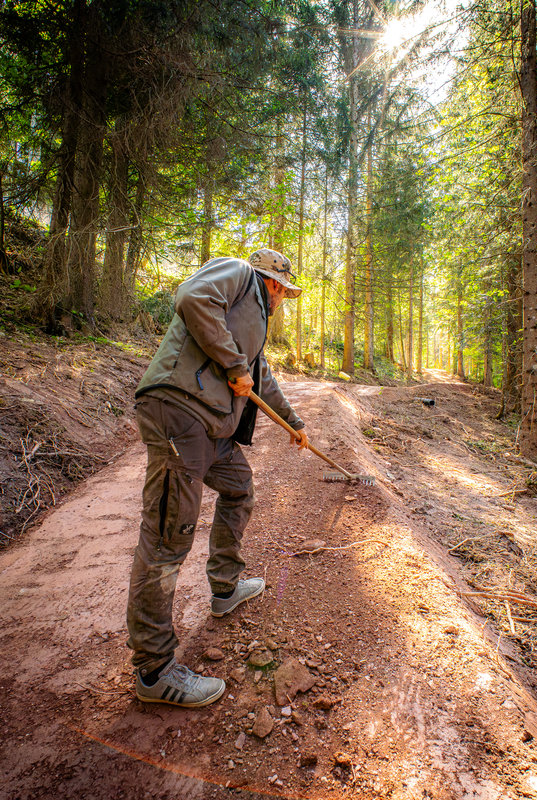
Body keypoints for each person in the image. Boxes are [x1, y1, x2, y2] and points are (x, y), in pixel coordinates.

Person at [127, 249, 309, 708]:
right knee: (168, 537)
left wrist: (294, 424)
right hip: (182, 413)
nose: (282, 300)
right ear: (273, 283)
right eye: (283, 292)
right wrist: (234, 364)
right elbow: (191, 297)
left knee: (239, 488)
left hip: (213, 429)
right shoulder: (240, 274)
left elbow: (260, 379)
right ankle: (154, 670)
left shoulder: (254, 324)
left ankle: (225, 587)